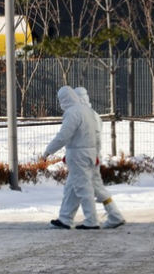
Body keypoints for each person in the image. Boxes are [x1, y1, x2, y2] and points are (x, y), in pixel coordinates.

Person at [43, 86, 99, 230]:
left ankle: (91, 221)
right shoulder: (86, 110)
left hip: (78, 154)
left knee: (82, 188)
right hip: (88, 152)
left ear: (64, 99)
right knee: (72, 188)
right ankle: (65, 218)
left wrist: (48, 151)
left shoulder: (73, 113)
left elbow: (64, 136)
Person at [74, 87, 125, 229]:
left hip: (89, 158)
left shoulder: (89, 116)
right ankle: (66, 218)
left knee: (95, 187)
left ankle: (112, 216)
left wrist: (93, 155)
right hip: (89, 156)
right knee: (90, 187)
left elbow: (93, 138)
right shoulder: (90, 114)